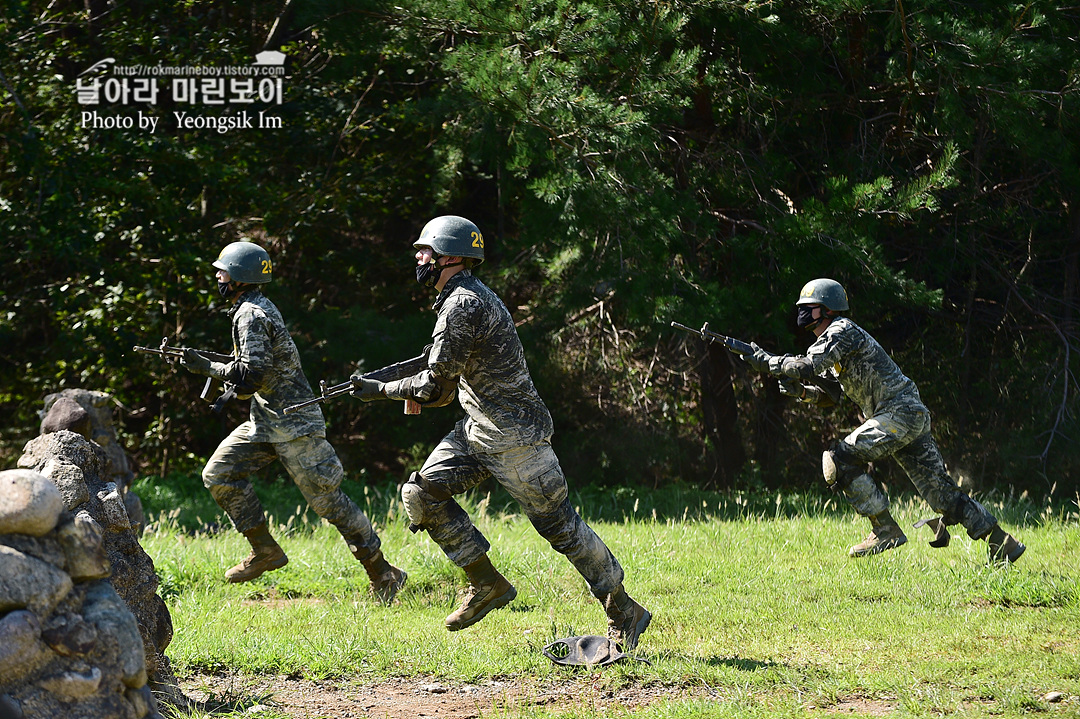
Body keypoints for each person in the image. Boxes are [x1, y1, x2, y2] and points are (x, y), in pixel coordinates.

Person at [350, 215, 651, 650]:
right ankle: (486, 583)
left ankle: (625, 610)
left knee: (561, 528)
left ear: (451, 257)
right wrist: (392, 385)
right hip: (479, 431)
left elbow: (433, 387)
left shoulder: (463, 305)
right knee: (420, 494)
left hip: (516, 439)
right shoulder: (459, 299)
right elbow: (439, 377)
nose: (418, 257)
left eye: (426, 251)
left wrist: (379, 390)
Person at [179, 240, 407, 601]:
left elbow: (251, 374)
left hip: (295, 425)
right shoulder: (249, 309)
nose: (217, 276)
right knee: (219, 474)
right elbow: (251, 373)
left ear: (241, 276)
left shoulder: (251, 314)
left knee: (328, 503)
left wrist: (204, 366)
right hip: (265, 421)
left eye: (223, 270)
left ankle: (384, 573)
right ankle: (265, 551)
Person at [742, 278, 1025, 563]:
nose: (803, 313)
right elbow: (831, 396)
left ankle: (885, 528)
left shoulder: (841, 330)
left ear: (827, 309)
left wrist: (767, 362)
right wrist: (802, 392)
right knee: (943, 496)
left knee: (838, 460)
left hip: (898, 414)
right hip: (909, 415)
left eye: (810, 307)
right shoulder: (833, 341)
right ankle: (1003, 543)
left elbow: (805, 365)